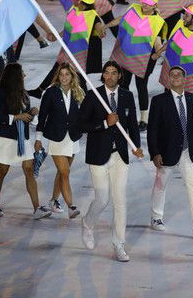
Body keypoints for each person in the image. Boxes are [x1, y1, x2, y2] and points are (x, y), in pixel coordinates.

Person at [78, 61, 143, 262]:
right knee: (102, 199)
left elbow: (132, 124)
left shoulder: (127, 95)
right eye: (107, 72)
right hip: (98, 155)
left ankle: (119, 244)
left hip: (120, 156)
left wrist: (136, 145)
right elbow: (82, 125)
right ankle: (87, 224)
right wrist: (105, 123)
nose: (110, 76)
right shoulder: (93, 95)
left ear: (119, 76)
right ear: (103, 75)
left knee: (120, 200)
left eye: (114, 73)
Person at [148, 65, 193, 238]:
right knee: (160, 185)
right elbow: (153, 129)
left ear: (185, 80)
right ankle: (156, 218)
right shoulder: (159, 101)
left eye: (179, 75)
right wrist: (155, 152)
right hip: (166, 151)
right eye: (172, 75)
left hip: (188, 151)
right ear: (168, 80)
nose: (175, 77)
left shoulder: (192, 98)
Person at [0, 63, 48, 219]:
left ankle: (37, 208)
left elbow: (24, 116)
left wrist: (31, 113)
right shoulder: (1, 93)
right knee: (2, 171)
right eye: (22, 73)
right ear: (14, 76)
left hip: (23, 138)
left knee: (29, 170)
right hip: (7, 138)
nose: (24, 75)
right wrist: (18, 117)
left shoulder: (24, 94)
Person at [29, 0, 104, 98]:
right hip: (67, 48)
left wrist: (101, 31)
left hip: (81, 52)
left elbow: (99, 27)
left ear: (79, 1)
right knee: (58, 67)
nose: (72, 0)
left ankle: (86, 100)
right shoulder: (73, 10)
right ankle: (39, 91)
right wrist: (56, 37)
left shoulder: (92, 16)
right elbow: (69, 28)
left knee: (78, 75)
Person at [107, 0, 166, 129]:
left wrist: (158, 53)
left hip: (145, 59)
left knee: (141, 87)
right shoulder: (134, 9)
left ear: (154, 5)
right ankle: (124, 113)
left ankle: (144, 119)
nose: (145, 5)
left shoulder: (158, 22)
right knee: (124, 85)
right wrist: (105, 26)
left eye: (148, 3)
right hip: (127, 55)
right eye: (144, 1)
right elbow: (120, 18)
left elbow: (158, 42)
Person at [35, 63, 84, 219]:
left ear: (72, 76)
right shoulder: (50, 93)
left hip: (73, 138)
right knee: (65, 172)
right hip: (56, 138)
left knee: (62, 173)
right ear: (58, 76)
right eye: (61, 74)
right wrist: (38, 139)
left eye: (67, 74)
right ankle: (71, 206)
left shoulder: (78, 92)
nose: (64, 77)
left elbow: (83, 114)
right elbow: (42, 117)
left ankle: (54, 200)